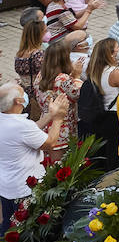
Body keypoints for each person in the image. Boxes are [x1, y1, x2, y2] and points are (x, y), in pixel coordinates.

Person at [0, 81, 68, 228]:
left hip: (6, 186)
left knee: (8, 226)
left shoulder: (6, 119)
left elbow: (31, 131)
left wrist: (50, 115)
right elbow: (50, 143)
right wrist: (58, 119)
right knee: (24, 230)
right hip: (24, 189)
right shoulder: (21, 126)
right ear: (18, 101)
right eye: (21, 91)